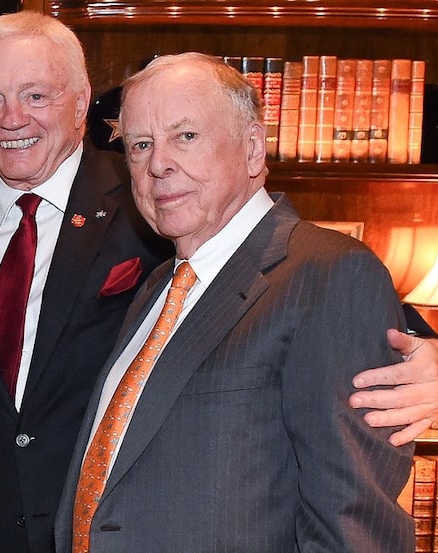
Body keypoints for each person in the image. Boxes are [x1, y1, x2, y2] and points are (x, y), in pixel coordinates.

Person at [0, 11, 438, 553]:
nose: (13, 118)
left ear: (80, 102)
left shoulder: (162, 202)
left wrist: (436, 357)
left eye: (36, 95)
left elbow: (308, 286)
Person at [55, 52, 415, 552]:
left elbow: (354, 523)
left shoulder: (329, 274)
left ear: (252, 149)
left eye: (186, 136)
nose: (158, 163)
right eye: (140, 145)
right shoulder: (160, 285)